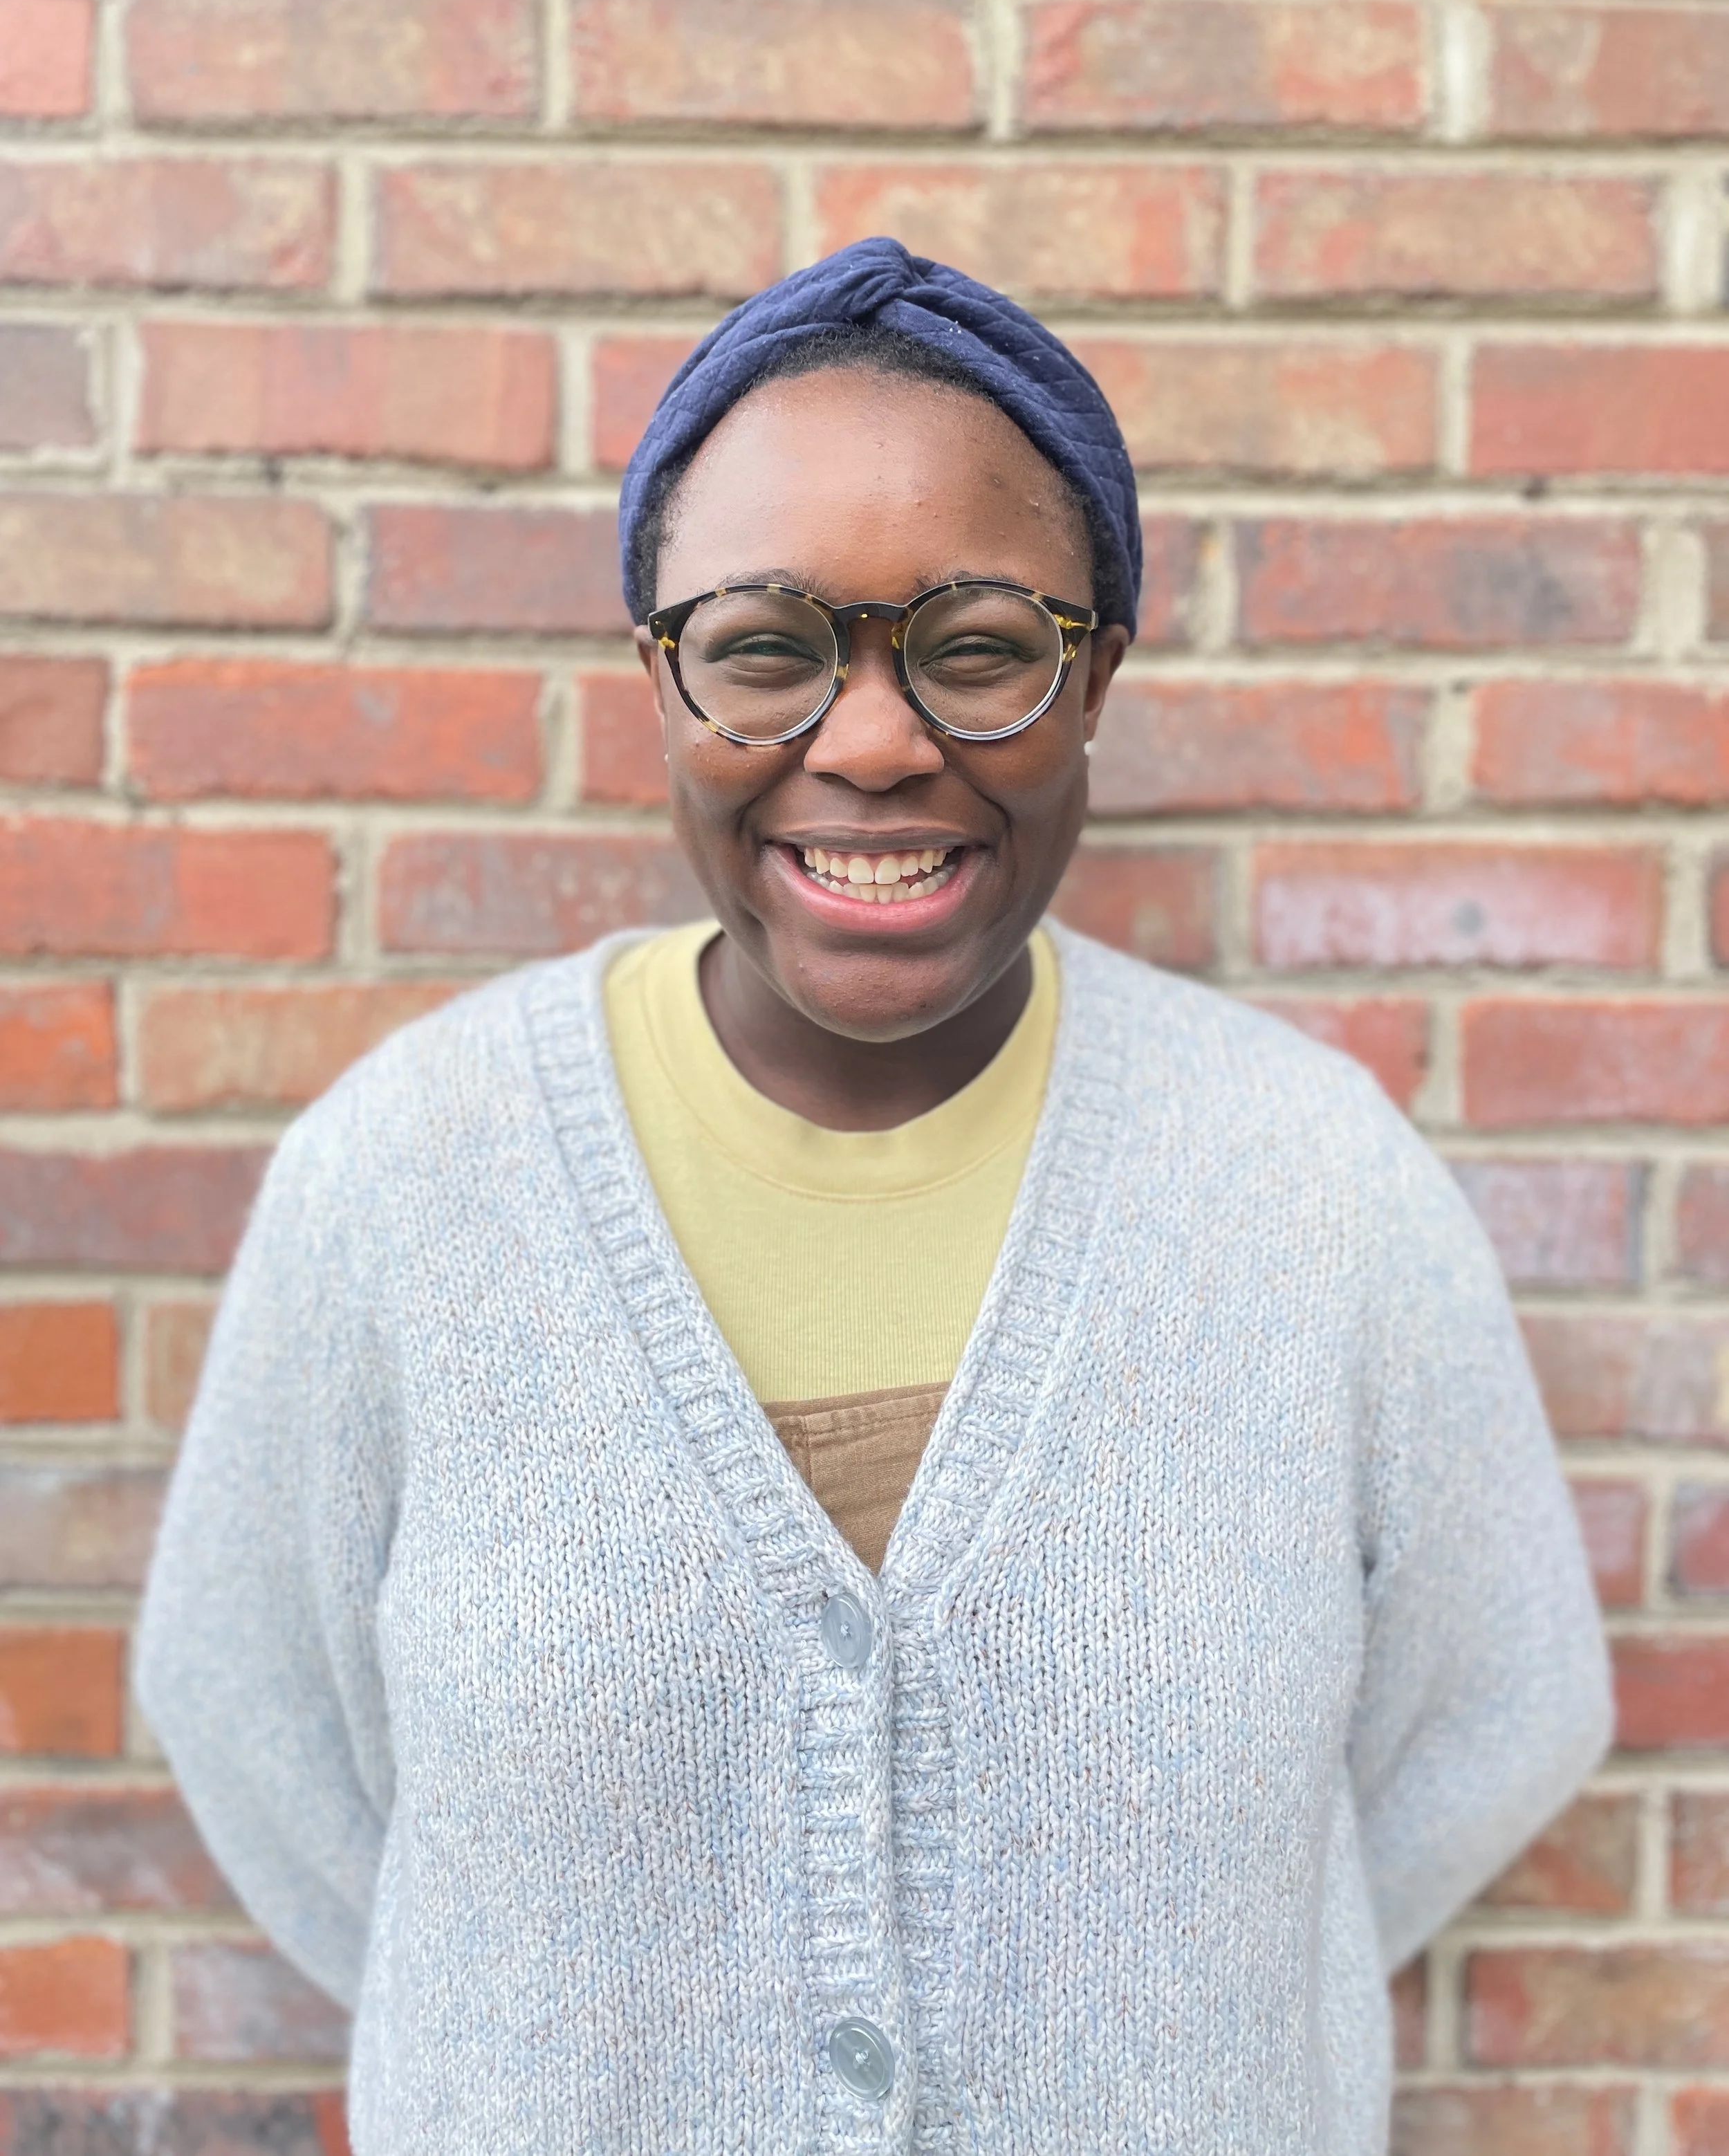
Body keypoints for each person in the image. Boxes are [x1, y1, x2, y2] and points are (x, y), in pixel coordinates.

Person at [137, 239, 1611, 2155]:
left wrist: (1201, 2004)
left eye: (979, 644)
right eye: (763, 647)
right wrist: (545, 2024)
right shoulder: (405, 1180)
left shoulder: (1309, 1186)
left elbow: (1493, 1708)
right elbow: (261, 1723)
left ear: (1094, 682)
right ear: (658, 678)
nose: (870, 736)